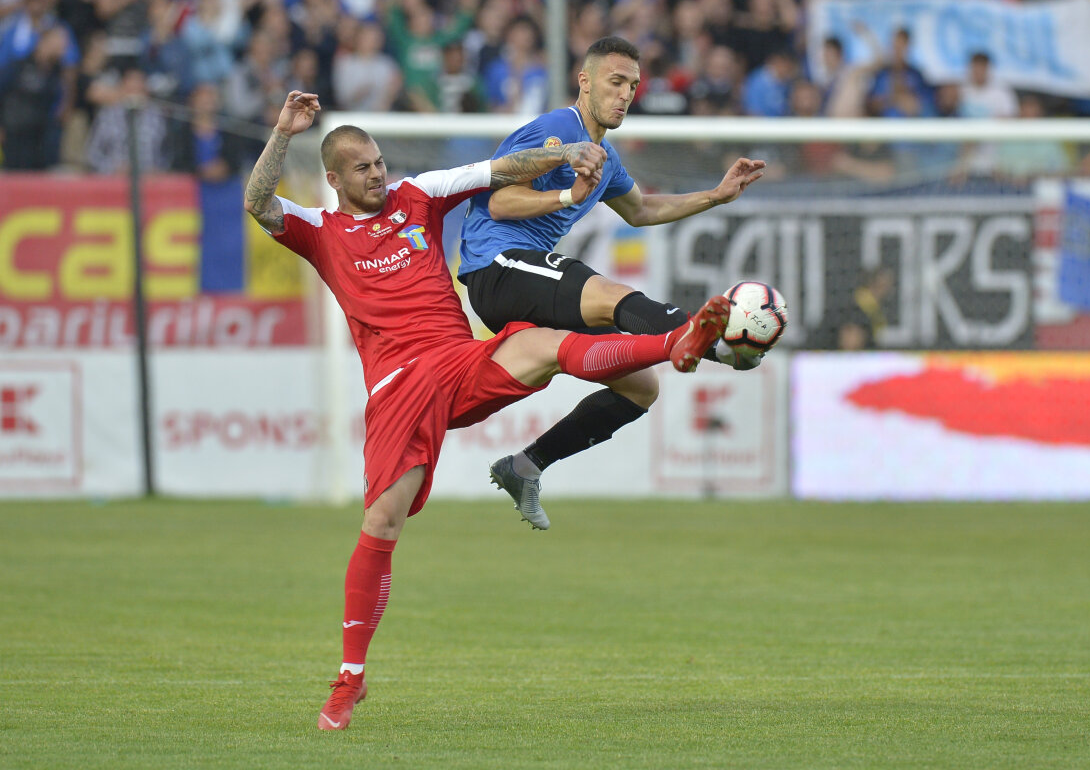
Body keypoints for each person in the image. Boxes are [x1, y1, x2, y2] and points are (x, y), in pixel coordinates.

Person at [243, 91, 732, 732]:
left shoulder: (419, 195)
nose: (377, 173)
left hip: (455, 361)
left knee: (536, 347)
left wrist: (559, 155)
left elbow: (495, 172)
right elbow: (258, 203)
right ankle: (350, 680)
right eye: (362, 167)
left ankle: (677, 342)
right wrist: (283, 132)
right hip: (395, 387)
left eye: (380, 161)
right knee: (383, 523)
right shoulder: (321, 233)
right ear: (333, 178)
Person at [456, 36, 766, 530]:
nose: (625, 94)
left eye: (633, 86)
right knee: (607, 296)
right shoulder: (558, 130)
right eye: (615, 82)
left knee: (640, 389)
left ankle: (526, 465)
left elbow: (641, 210)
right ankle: (719, 348)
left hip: (527, 273)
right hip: (498, 266)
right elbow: (498, 202)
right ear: (585, 82)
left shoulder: (606, 157)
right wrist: (564, 195)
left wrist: (716, 195)